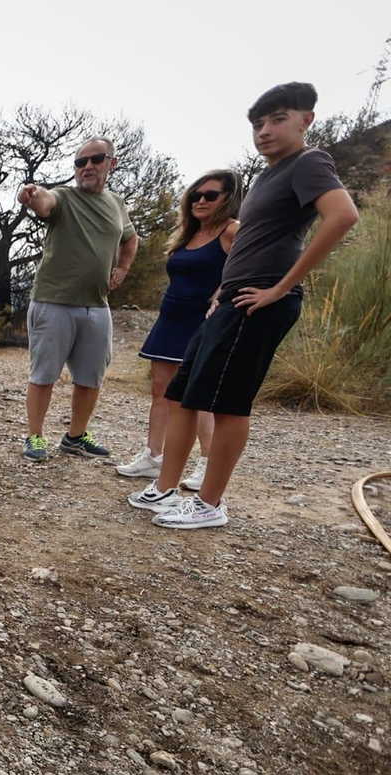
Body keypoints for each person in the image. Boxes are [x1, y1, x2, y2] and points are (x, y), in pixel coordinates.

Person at [129, 82, 359, 528]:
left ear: (306, 120)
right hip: (232, 299)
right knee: (182, 395)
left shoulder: (308, 162)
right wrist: (221, 292)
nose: (265, 131)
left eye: (278, 119)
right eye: (258, 124)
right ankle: (165, 488)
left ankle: (209, 504)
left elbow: (344, 215)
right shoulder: (268, 175)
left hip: (261, 300)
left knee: (227, 403)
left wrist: (281, 287)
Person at [17, 138, 140, 462]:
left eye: (96, 159)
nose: (87, 166)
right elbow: (45, 202)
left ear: (111, 163)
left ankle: (75, 437)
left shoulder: (116, 203)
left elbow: (130, 239)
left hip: (97, 305)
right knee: (44, 374)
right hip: (53, 302)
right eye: (80, 162)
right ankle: (34, 437)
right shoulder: (64, 197)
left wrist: (123, 268)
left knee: (90, 377)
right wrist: (32, 195)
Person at [115, 171, 242, 485]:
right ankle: (153, 456)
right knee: (161, 389)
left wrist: (220, 295)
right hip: (170, 318)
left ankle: (207, 463)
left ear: (228, 198)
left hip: (203, 321)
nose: (201, 201)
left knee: (197, 395)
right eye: (195, 196)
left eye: (210, 195)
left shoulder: (231, 229)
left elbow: (246, 267)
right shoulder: (188, 232)